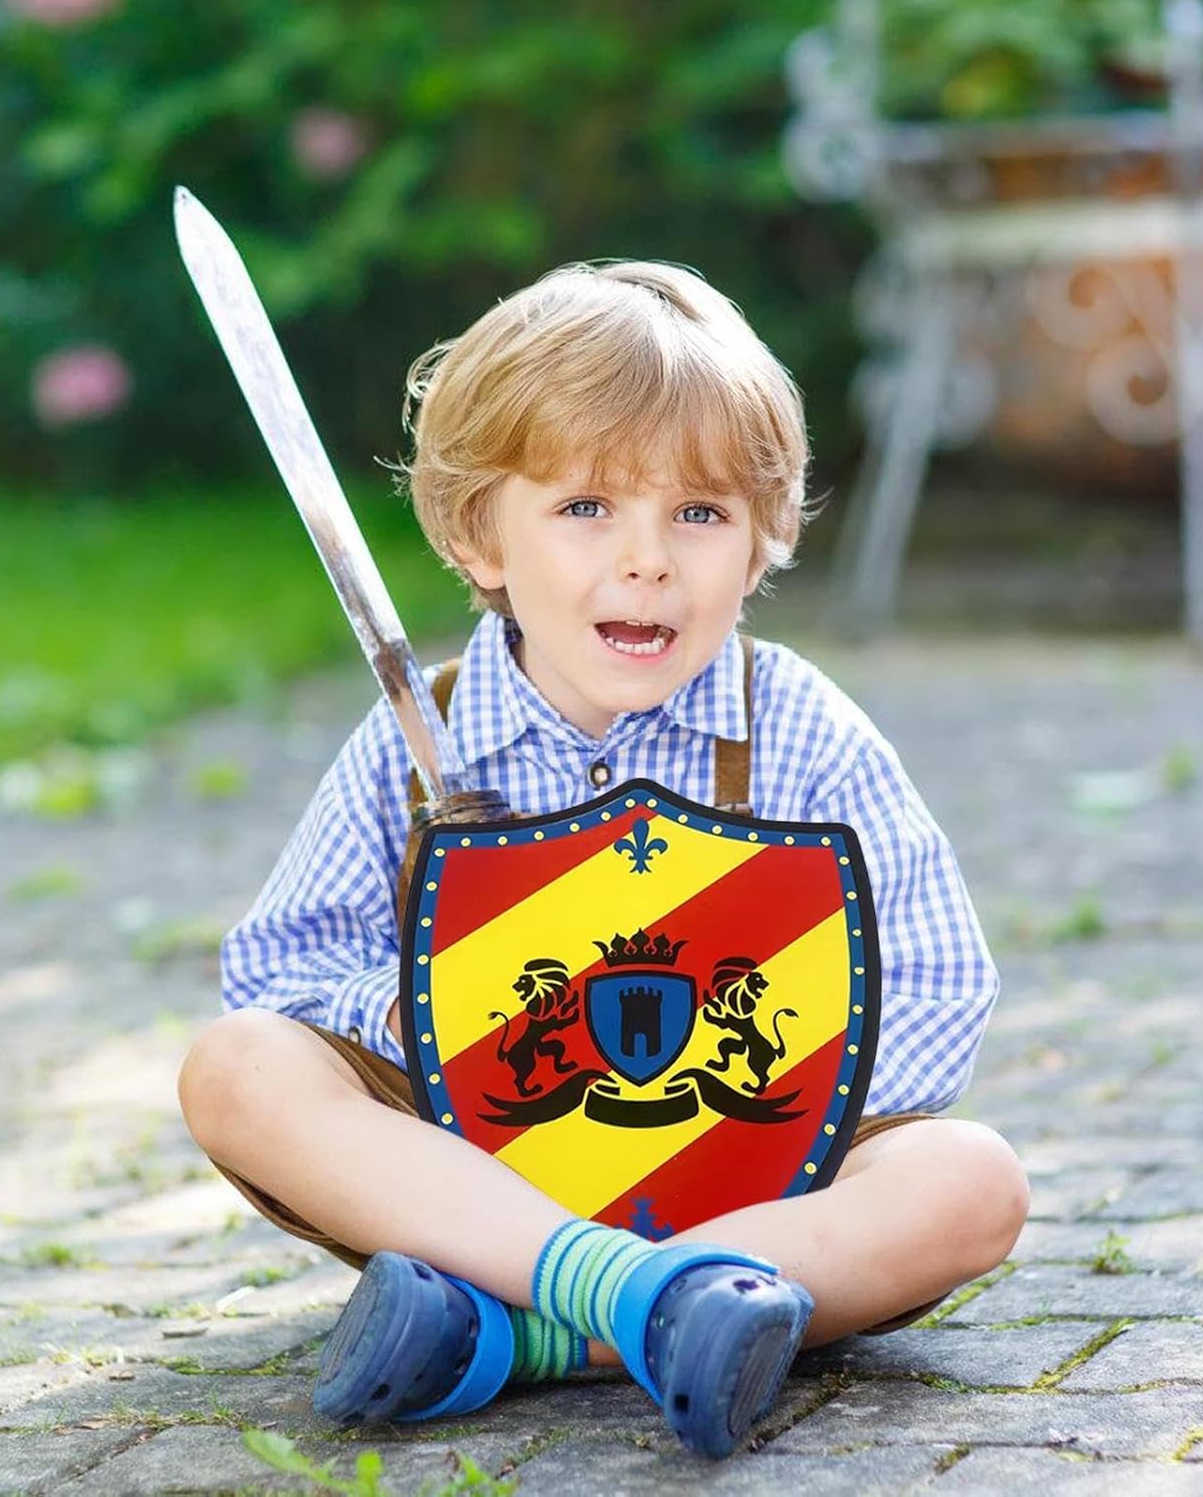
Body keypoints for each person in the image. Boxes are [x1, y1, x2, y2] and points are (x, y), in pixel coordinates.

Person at [177, 261, 1028, 1459]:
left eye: (699, 513)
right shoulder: (422, 738)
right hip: (478, 1184)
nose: (648, 559)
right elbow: (284, 969)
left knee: (970, 1179)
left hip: (752, 1190)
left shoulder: (796, 729)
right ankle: (641, 1300)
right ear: (480, 534)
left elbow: (937, 983)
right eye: (586, 507)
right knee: (238, 1066)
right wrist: (441, 1016)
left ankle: (516, 1336)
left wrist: (785, 1092)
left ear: (764, 537)